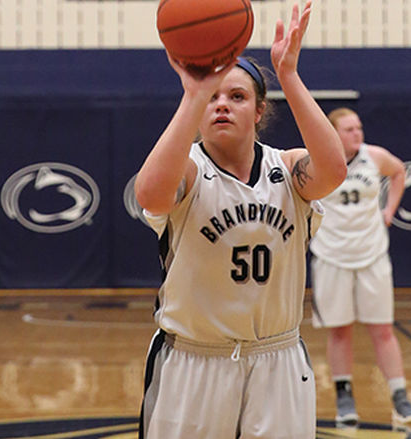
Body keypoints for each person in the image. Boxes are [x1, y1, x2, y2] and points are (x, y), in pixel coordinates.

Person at [133, 2, 346, 437]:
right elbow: (150, 193)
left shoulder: (288, 171)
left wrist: (289, 75)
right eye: (213, 98)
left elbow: (334, 170)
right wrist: (193, 93)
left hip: (278, 359)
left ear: (259, 111)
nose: (222, 106)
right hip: (194, 360)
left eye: (237, 96)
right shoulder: (188, 171)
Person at [309, 107, 411, 427]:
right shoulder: (318, 159)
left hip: (372, 255)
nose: (356, 134)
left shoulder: (374, 156)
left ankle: (400, 396)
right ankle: (344, 396)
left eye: (358, 127)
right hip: (331, 256)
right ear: (333, 133)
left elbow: (399, 172)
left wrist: (389, 210)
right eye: (348, 129)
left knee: (383, 329)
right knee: (340, 331)